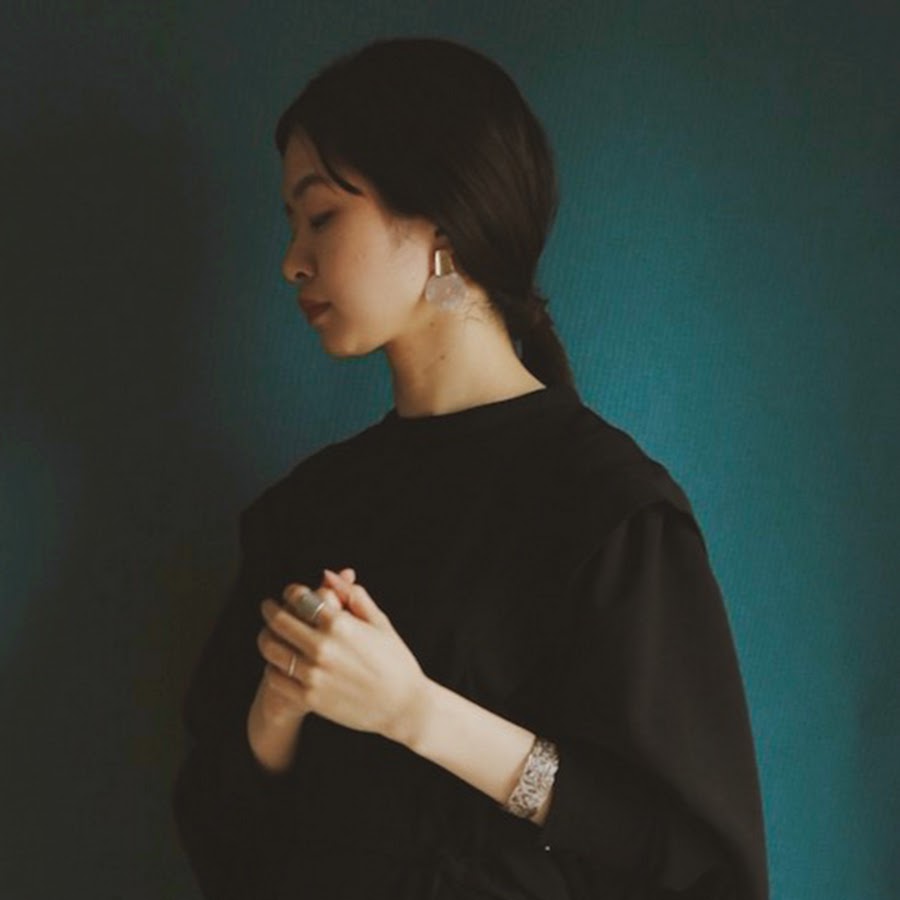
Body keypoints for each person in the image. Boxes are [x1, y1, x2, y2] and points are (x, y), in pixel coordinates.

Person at [172, 37, 768, 900]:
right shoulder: (304, 511)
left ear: (443, 225)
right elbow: (220, 822)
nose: (292, 260)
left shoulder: (606, 509)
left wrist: (414, 711)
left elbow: (685, 857)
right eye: (292, 225)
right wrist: (280, 703)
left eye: (322, 216)